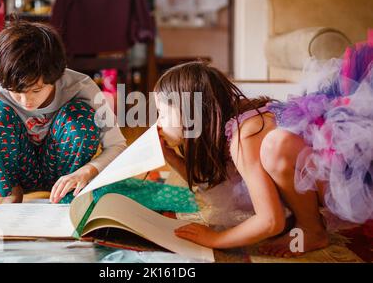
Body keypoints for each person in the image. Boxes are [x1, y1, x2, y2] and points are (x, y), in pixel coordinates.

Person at [155, 42, 373, 257]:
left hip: (351, 178)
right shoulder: (228, 130)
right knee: (273, 150)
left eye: (163, 114)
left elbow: (270, 221)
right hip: (332, 178)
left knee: (276, 146)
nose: (159, 123)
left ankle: (311, 229)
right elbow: (213, 186)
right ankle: (304, 220)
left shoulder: (244, 135)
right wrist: (171, 157)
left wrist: (214, 239)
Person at [0, 20, 126, 206]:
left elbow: (116, 145)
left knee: (82, 117)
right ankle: (11, 191)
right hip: (17, 170)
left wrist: (87, 171)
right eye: (16, 92)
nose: (26, 101)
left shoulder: (81, 86)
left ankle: (63, 193)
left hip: (63, 173)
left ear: (56, 77)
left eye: (36, 90)